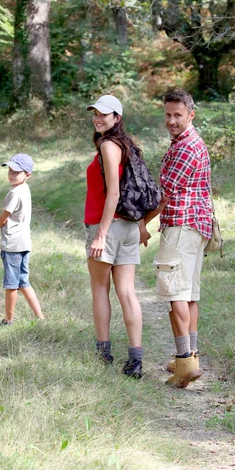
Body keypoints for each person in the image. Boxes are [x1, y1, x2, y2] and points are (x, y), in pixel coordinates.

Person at [139, 88, 212, 388]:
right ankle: (188, 356)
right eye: (168, 114)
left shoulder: (185, 147)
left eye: (177, 115)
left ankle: (185, 364)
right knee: (189, 294)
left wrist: (143, 223)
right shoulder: (191, 142)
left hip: (181, 227)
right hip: (197, 227)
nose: (171, 120)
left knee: (176, 294)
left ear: (191, 115)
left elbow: (164, 195)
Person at [84, 95, 143, 379]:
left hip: (107, 225)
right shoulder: (127, 145)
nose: (98, 118)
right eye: (95, 113)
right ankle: (135, 359)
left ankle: (104, 353)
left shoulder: (108, 145)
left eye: (104, 114)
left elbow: (115, 193)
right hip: (129, 226)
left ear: (117, 118)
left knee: (100, 288)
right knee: (127, 292)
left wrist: (101, 235)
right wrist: (141, 225)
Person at [0, 153, 44, 327]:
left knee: (11, 285)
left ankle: (8, 320)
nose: (11, 174)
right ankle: (40, 318)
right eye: (10, 170)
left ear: (27, 175)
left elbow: (3, 219)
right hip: (24, 244)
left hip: (12, 246)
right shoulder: (25, 189)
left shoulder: (14, 193)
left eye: (16, 172)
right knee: (23, 281)